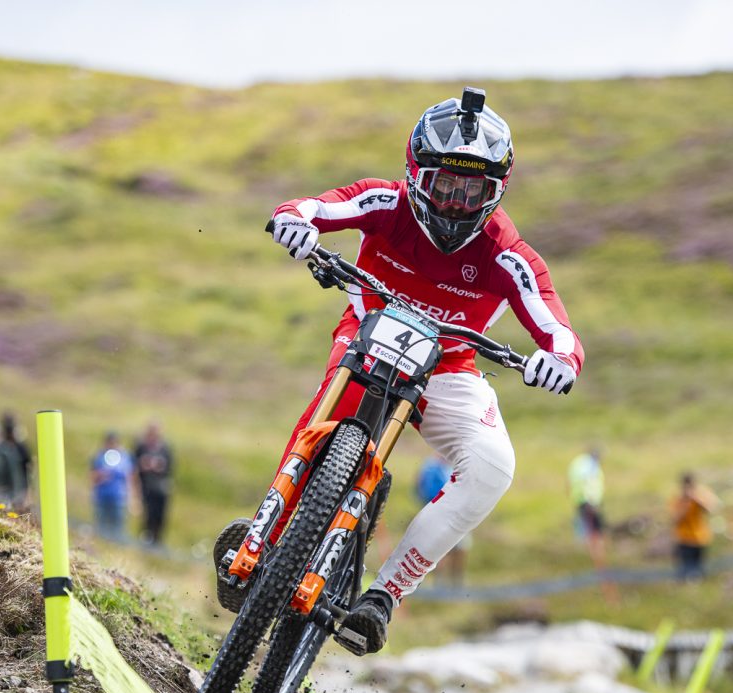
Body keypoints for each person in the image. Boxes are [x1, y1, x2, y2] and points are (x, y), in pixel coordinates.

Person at [214, 87, 583, 654]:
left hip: (447, 367)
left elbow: (558, 328)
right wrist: (293, 222)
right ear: (416, 174)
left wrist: (559, 360)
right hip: (367, 336)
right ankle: (262, 537)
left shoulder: (506, 252)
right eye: (445, 185)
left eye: (474, 191)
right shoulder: (385, 202)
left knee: (493, 467)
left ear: (497, 191)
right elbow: (314, 207)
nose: (456, 203)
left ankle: (383, 597)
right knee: (322, 416)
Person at [416, 454, 469, 587]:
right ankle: (443, 584)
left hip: (453, 513)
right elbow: (424, 490)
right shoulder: (432, 467)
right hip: (442, 513)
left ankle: (454, 584)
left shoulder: (448, 466)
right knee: (444, 549)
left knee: (458, 549)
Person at [669, 472, 720, 581]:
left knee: (700, 570)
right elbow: (675, 520)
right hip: (684, 539)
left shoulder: (701, 494)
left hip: (700, 538)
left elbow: (710, 509)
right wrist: (686, 504)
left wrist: (696, 499)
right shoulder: (678, 499)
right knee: (685, 570)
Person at [133, 422, 174, 547]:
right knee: (147, 514)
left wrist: (158, 466)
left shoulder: (165, 448)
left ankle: (157, 541)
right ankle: (146, 539)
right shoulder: (141, 446)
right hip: (146, 487)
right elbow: (134, 465)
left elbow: (169, 468)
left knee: (160, 516)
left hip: (160, 488)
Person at [90, 431, 135, 543]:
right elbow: (92, 477)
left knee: (118, 529)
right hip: (102, 498)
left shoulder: (124, 458)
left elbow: (130, 478)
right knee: (101, 528)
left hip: (119, 499)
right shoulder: (99, 457)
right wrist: (101, 476)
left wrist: (132, 499)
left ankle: (117, 548)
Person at [568, 448, 608, 569]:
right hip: (589, 503)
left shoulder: (578, 463)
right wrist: (590, 501)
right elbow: (587, 482)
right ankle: (598, 561)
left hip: (584, 502)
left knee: (591, 530)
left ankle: (596, 559)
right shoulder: (588, 465)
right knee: (594, 532)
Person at [0, 411, 33, 509]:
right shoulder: (1, 446)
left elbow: (28, 467)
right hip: (5, 487)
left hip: (19, 487)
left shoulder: (20, 447)